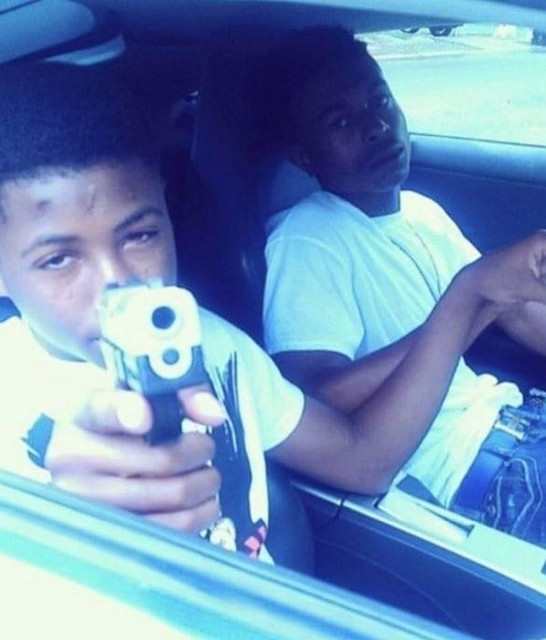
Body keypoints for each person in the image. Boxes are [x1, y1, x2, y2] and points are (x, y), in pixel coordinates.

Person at [0, 63, 545, 562]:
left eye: (140, 235)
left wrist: (471, 294)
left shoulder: (215, 345)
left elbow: (362, 461)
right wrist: (64, 531)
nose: (116, 285)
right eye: (58, 259)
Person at [262, 25, 546, 545]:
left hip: (523, 422)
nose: (375, 125)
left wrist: (491, 295)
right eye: (341, 121)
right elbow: (314, 398)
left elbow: (519, 312)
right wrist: (469, 301)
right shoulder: (308, 237)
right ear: (304, 156)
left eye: (380, 101)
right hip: (489, 473)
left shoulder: (422, 213)